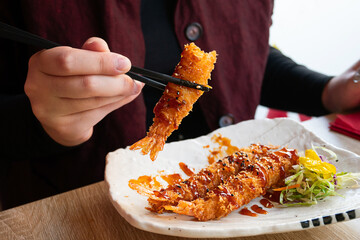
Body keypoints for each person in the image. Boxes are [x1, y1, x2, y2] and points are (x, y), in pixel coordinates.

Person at [0, 0, 359, 210]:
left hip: (239, 199)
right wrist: (41, 122)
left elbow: (245, 54)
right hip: (73, 209)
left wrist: (326, 90)